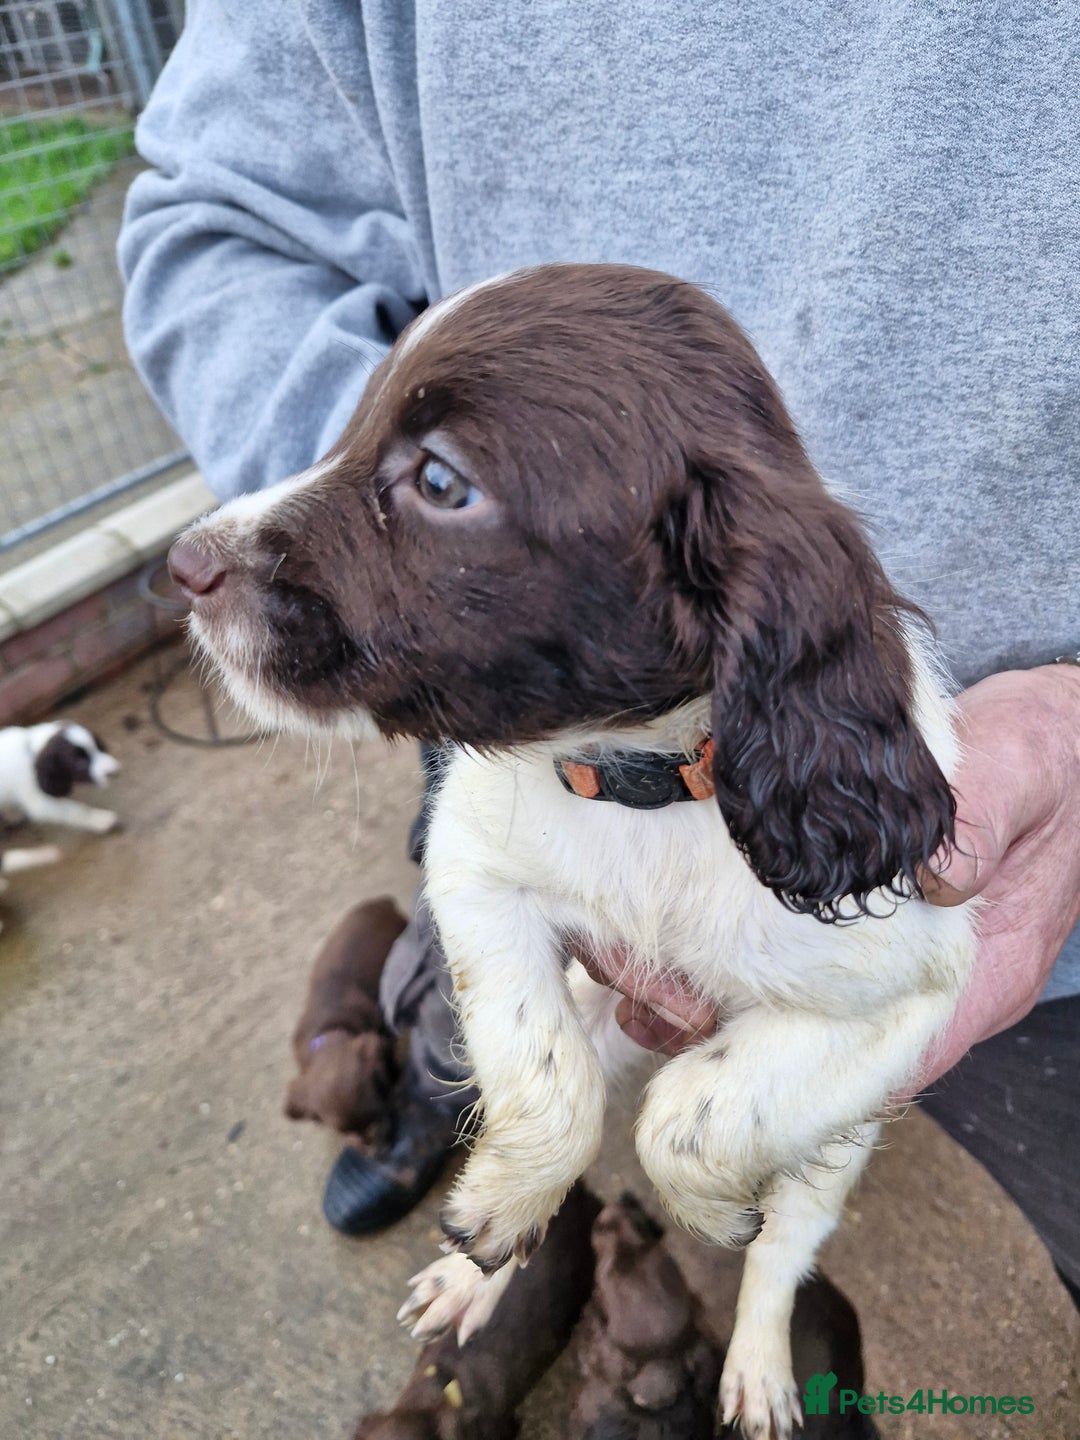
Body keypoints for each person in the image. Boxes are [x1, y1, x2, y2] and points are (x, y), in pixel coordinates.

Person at [118, 2, 1080, 1311]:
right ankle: (455, 1093)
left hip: (989, 840)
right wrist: (382, 574)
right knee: (487, 980)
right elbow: (222, 221)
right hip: (529, 736)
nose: (202, 557)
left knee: (964, 1249)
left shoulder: (799, 671)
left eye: (437, 478)